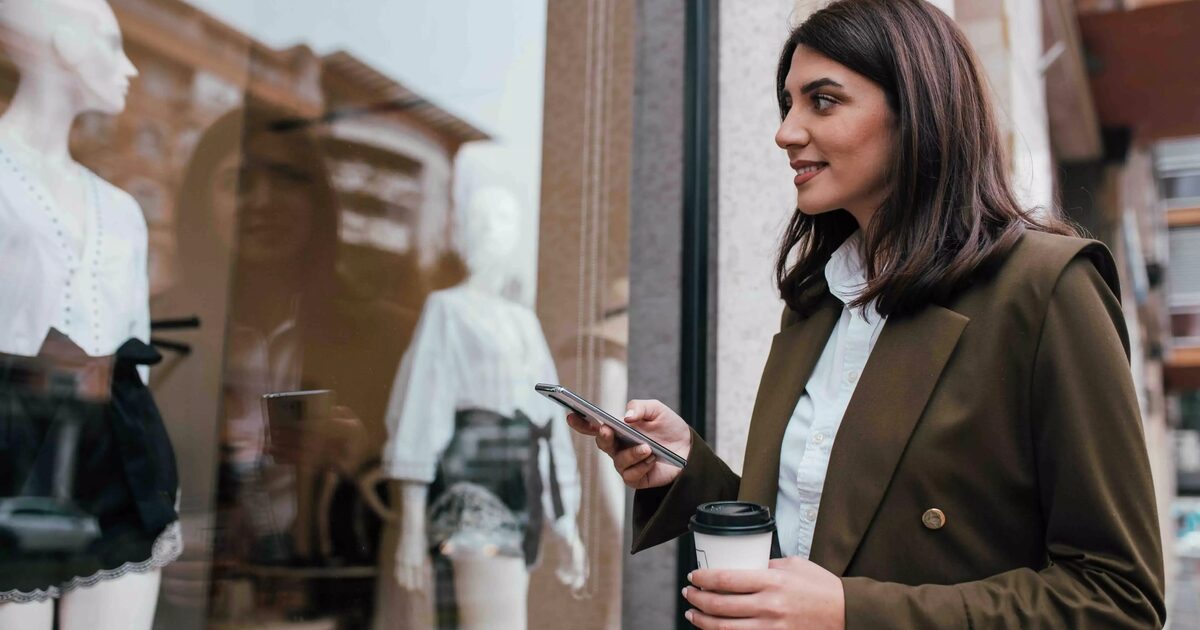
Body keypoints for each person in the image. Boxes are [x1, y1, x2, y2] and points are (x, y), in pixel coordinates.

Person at [567, 1, 1166, 628]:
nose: (786, 132)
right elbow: (825, 536)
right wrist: (686, 470)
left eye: (823, 101)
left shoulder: (1047, 289)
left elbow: (1118, 598)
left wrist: (855, 613)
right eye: (788, 104)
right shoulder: (817, 304)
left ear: (918, 110)